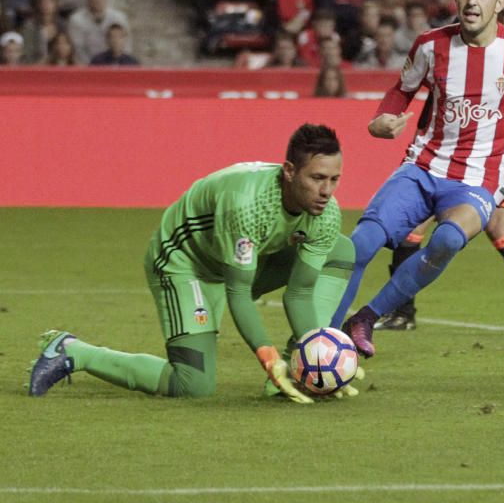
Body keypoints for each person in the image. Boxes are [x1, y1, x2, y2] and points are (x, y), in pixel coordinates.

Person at [338, 0, 504, 358]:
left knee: (446, 239)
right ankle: (324, 334)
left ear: (500, 2)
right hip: (424, 166)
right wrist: (381, 120)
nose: (472, 2)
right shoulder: (431, 45)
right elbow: (401, 90)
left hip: (481, 180)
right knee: (361, 243)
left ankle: (367, 318)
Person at [28, 123, 359, 403]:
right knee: (192, 385)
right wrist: (268, 357)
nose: (326, 191)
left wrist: (319, 359)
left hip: (239, 263)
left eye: (334, 179)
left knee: (340, 250)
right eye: (317, 178)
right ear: (289, 171)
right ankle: (75, 351)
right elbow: (239, 293)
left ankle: (296, 373)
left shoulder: (325, 213)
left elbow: (299, 294)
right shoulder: (247, 204)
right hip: (186, 265)